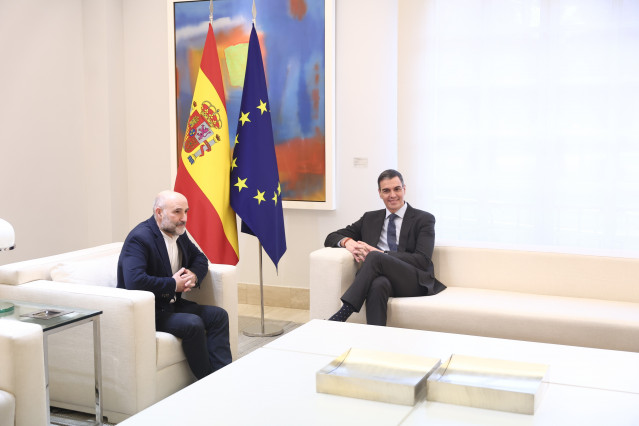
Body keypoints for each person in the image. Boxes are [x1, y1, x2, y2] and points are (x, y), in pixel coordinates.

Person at [117, 190, 231, 379]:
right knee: (193, 323)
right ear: (159, 212)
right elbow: (134, 280)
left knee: (218, 316)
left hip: (172, 305)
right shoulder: (140, 238)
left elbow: (200, 258)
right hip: (148, 311)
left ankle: (223, 375)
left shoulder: (178, 232)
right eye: (177, 212)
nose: (184, 218)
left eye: (186, 212)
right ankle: (206, 380)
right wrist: (172, 284)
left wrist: (193, 276)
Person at [324, 169, 446, 326]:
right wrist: (348, 242)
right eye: (386, 190)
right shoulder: (370, 218)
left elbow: (422, 260)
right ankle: (376, 341)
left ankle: (343, 313)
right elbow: (331, 237)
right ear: (379, 193)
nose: (392, 195)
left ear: (404, 189)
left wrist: (380, 253)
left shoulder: (424, 219)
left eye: (397, 189)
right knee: (378, 284)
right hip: (383, 279)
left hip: (414, 281)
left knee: (374, 256)